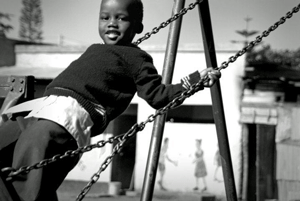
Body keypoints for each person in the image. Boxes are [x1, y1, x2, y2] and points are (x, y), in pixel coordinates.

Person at [0, 0, 221, 200]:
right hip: (42, 107)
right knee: (6, 138)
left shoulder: (137, 59)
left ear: (137, 27)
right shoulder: (95, 49)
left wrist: (193, 81)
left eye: (121, 18)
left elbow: (158, 96)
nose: (112, 23)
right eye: (105, 18)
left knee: (38, 146)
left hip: (69, 114)